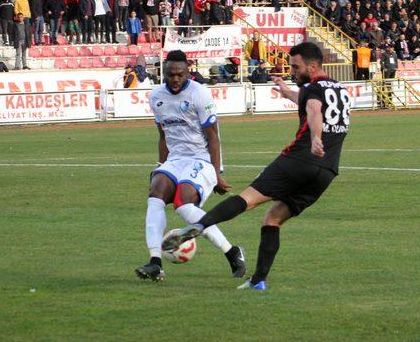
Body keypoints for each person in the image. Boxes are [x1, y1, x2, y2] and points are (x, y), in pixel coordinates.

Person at [162, 42, 351, 290]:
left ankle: (199, 225)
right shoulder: (339, 89)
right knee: (272, 218)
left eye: (296, 67)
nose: (292, 71)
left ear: (312, 66)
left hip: (298, 160)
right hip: (326, 171)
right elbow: (312, 102)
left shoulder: (312, 89)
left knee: (248, 198)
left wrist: (316, 137)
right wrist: (287, 93)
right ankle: (258, 281)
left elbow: (315, 110)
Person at [135, 50, 246, 282]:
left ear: (188, 72)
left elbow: (213, 137)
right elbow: (163, 135)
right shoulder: (156, 96)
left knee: (182, 205)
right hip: (175, 159)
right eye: (170, 74)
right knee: (155, 194)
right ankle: (155, 262)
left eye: (180, 74)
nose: (175, 79)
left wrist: (216, 174)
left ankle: (232, 251)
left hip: (201, 159)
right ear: (164, 72)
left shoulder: (199, 94)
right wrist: (161, 166)